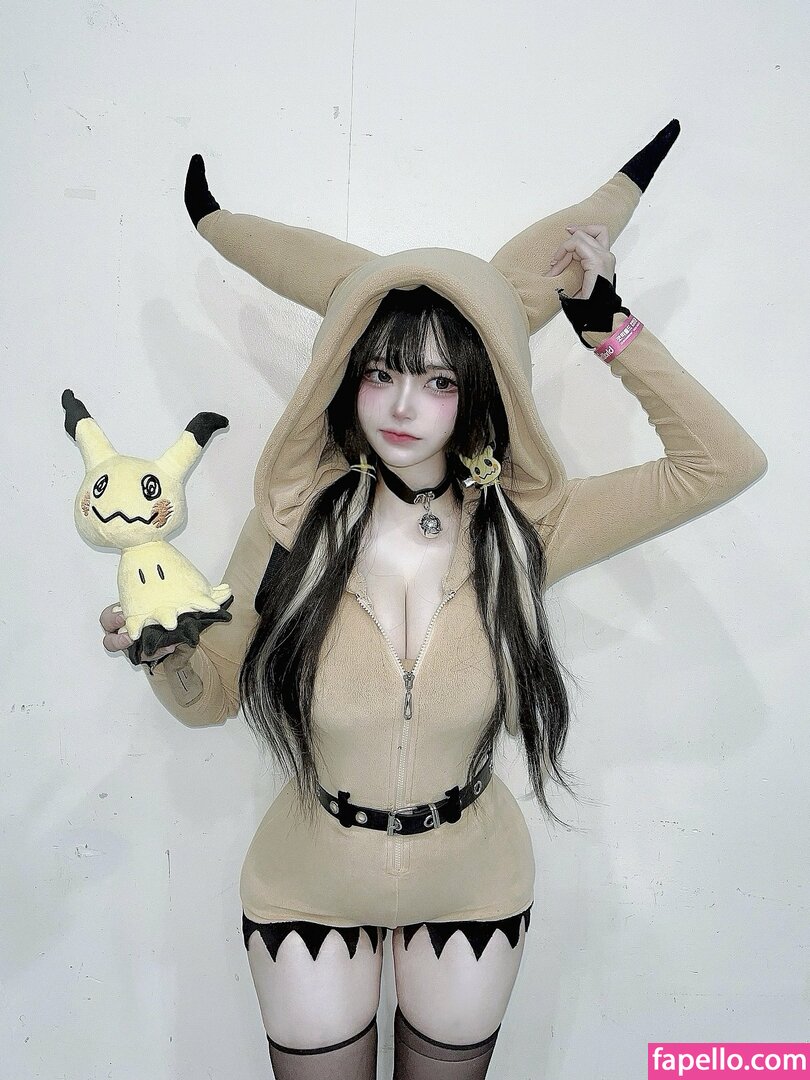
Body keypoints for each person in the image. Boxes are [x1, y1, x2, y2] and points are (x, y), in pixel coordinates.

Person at [98, 120, 766, 1078]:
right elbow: (213, 698)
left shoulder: (528, 527)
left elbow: (722, 464)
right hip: (308, 881)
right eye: (380, 372)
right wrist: (165, 654)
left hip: (471, 883)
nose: (402, 406)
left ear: (482, 389)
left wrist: (608, 326)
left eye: (437, 380)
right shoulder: (290, 520)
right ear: (344, 378)